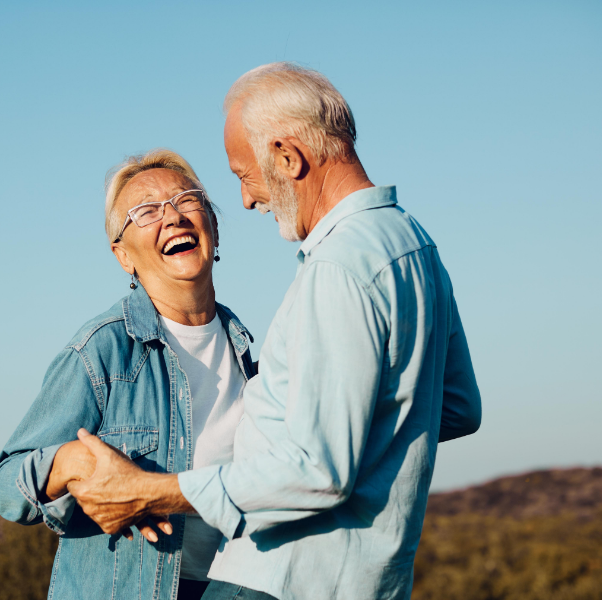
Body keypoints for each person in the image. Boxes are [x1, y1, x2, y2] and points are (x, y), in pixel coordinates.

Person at [67, 62, 483, 600]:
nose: (245, 199)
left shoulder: (337, 268)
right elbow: (455, 407)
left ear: (288, 156)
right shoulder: (414, 243)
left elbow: (318, 471)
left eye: (244, 174)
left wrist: (152, 491)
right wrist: (356, 438)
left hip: (278, 578)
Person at [0, 149, 257, 600]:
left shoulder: (250, 355)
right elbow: (6, 484)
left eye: (187, 200)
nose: (172, 216)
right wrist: (72, 462)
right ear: (123, 256)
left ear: (213, 226)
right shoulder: (102, 350)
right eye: (146, 210)